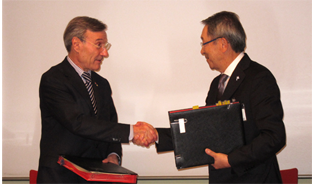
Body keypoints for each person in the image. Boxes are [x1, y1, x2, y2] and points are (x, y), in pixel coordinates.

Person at [154, 11, 286, 183]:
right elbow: (205, 133)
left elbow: (273, 136)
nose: (202, 51)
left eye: (204, 43)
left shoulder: (258, 78)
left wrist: (231, 160)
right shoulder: (217, 83)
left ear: (223, 44)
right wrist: (156, 135)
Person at [37, 16, 157, 183]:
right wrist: (132, 132)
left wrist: (113, 155)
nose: (105, 53)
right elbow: (77, 122)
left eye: (105, 46)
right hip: (61, 177)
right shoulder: (54, 79)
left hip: (97, 177)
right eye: (99, 45)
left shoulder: (102, 84)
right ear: (77, 44)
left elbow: (109, 124)